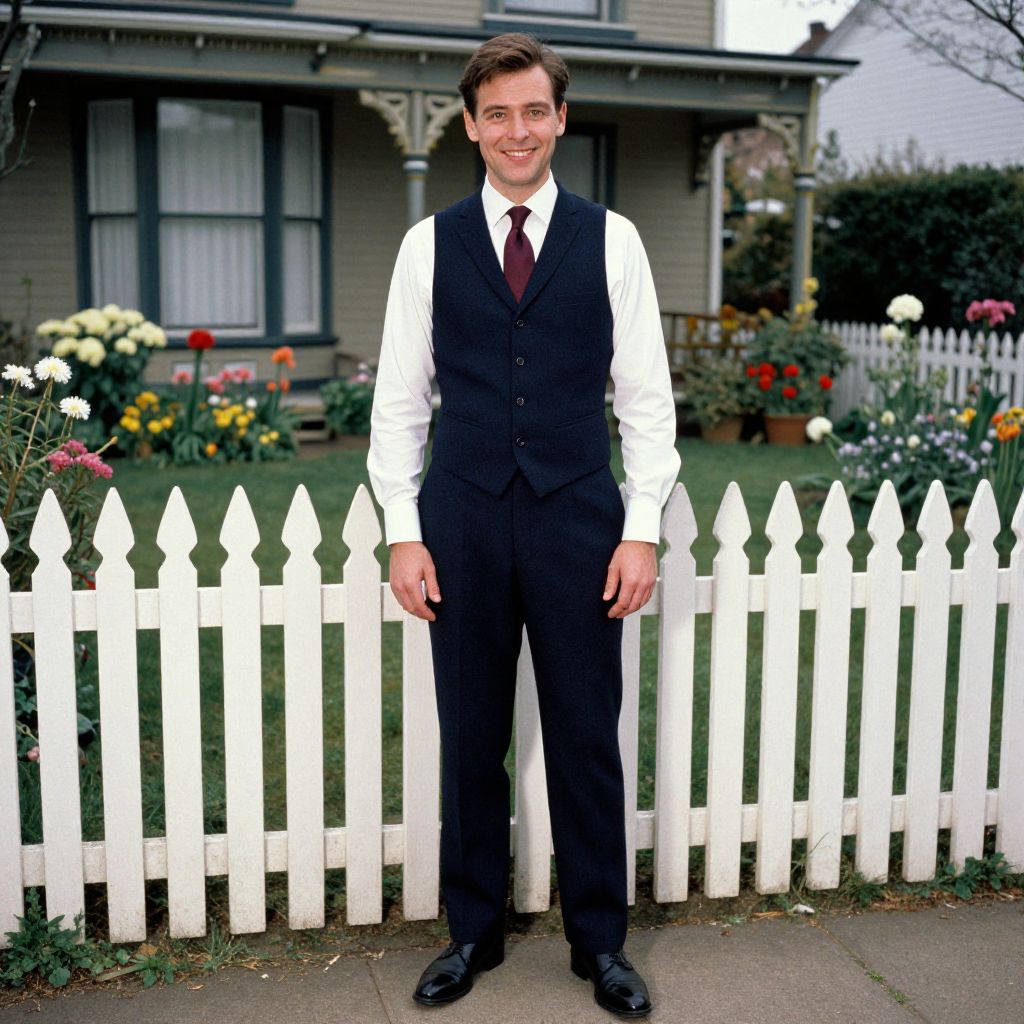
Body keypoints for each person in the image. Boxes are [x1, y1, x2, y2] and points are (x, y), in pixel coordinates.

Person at [366, 32, 680, 1019]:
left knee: (587, 732)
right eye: (495, 113)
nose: (515, 129)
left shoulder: (612, 238)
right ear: (469, 125)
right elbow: (399, 407)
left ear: (559, 118)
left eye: (532, 110)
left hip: (579, 514)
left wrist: (640, 528)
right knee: (470, 732)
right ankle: (470, 931)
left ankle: (602, 943)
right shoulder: (428, 245)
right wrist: (402, 529)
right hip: (459, 513)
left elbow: (645, 400)